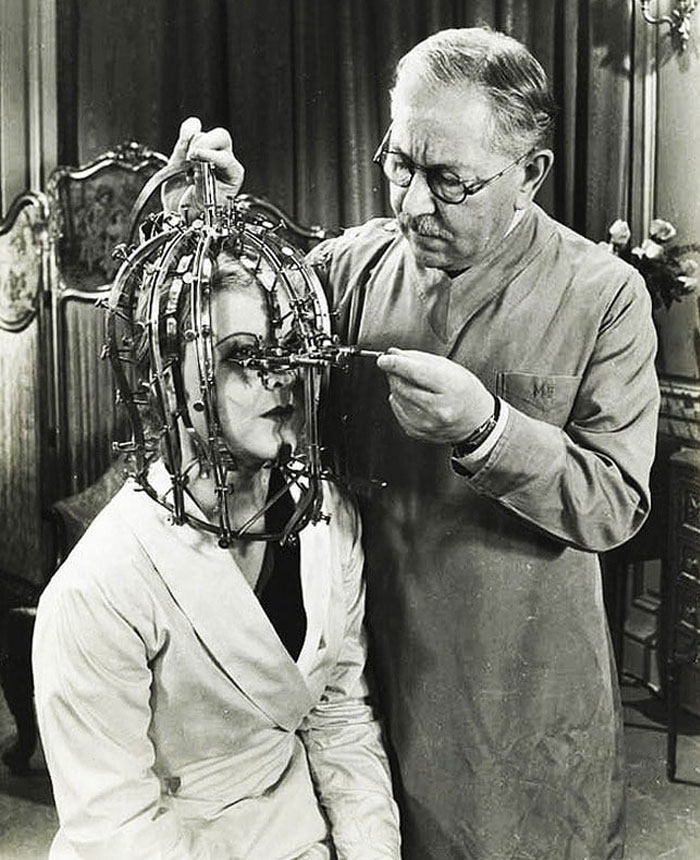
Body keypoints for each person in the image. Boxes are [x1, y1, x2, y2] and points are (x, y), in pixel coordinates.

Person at [164, 26, 660, 860]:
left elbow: (617, 505)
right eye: (400, 164)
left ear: (529, 175)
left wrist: (488, 430)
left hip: (515, 714)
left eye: (449, 181)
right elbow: (235, 322)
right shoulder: (350, 269)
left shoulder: (603, 296)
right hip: (360, 694)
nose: (413, 204)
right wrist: (207, 226)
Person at [32, 216, 401, 859]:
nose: (278, 377)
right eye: (240, 356)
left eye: (288, 349)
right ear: (164, 379)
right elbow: (118, 828)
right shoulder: (99, 588)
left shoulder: (327, 520)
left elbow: (341, 721)